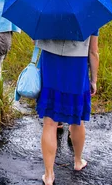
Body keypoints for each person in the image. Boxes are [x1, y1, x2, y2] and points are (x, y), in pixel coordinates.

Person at [36, 32, 99, 184]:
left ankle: (49, 175)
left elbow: (35, 40)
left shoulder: (46, 10)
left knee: (50, 122)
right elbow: (93, 51)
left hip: (50, 64)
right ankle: (78, 161)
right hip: (77, 68)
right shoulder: (89, 12)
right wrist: (94, 80)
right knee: (77, 120)